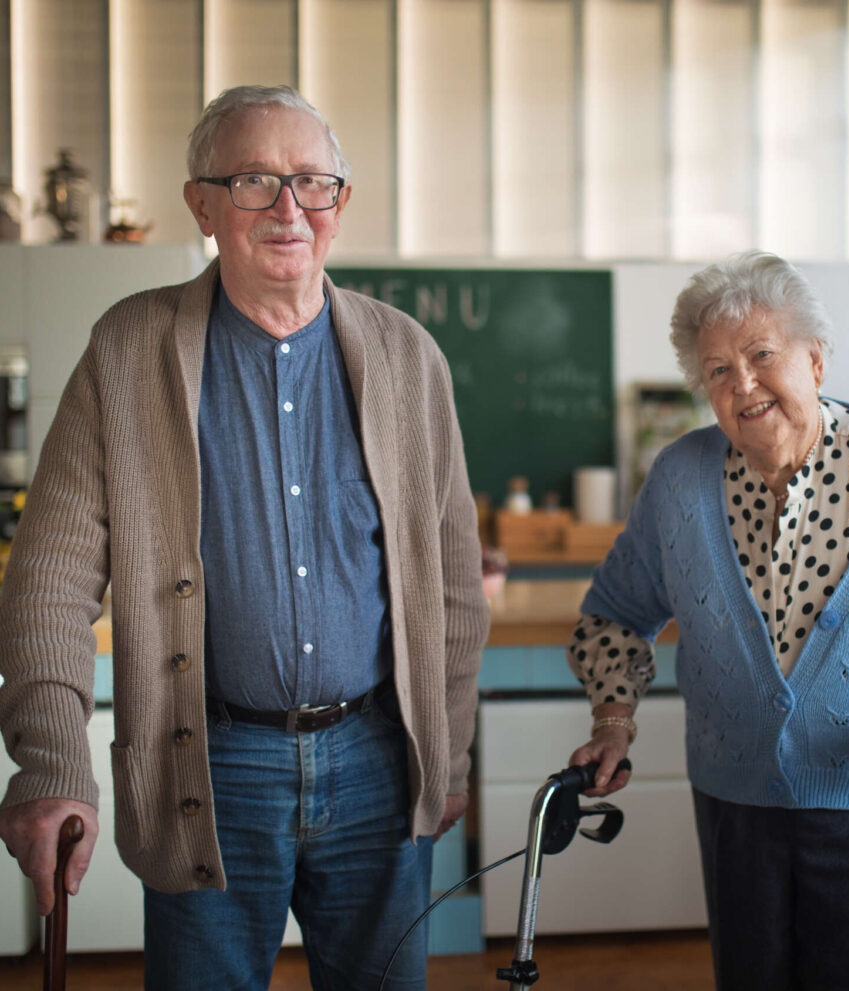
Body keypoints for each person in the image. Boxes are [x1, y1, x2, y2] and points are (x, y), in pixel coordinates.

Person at [0, 85, 490, 990]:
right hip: (210, 766)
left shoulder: (407, 357)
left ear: (340, 203)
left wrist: (447, 746)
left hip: (376, 760)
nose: (288, 208)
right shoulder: (128, 350)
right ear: (202, 202)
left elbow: (454, 581)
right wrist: (51, 760)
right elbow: (50, 579)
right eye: (255, 180)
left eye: (312, 182)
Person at [566, 251, 849, 991]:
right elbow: (616, 612)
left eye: (760, 354)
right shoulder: (680, 478)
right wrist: (614, 720)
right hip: (734, 805)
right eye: (716, 370)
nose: (741, 383)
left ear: (815, 357)